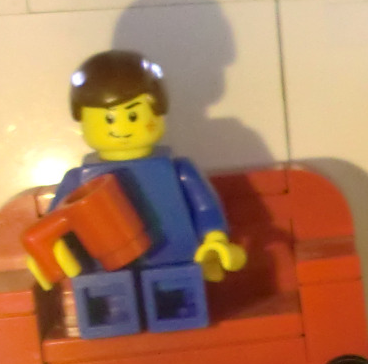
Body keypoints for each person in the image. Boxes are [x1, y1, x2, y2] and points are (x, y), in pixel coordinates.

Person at [34, 50, 246, 338]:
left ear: (158, 111)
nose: (121, 128)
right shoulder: (79, 180)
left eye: (133, 115)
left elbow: (205, 208)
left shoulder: (177, 170)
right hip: (104, 275)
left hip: (174, 261)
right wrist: (49, 250)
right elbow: (55, 224)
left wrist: (215, 239)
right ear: (82, 121)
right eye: (109, 119)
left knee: (179, 311)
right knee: (109, 309)